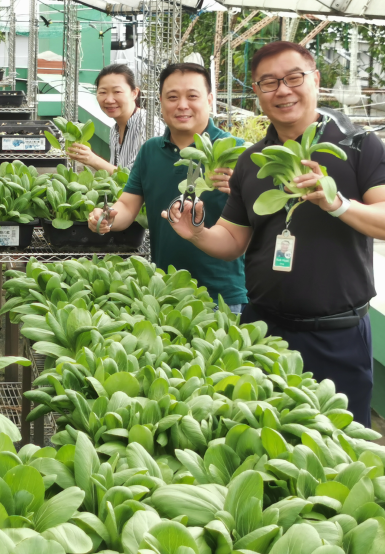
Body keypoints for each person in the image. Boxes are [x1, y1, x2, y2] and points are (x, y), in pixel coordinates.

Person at [166, 40, 385, 427]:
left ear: (315, 79)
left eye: (293, 78)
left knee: (341, 449)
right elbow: (233, 240)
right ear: (257, 93)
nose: (283, 90)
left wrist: (336, 204)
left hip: (338, 333)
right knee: (261, 440)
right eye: (269, 82)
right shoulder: (252, 160)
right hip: (264, 330)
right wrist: (196, 232)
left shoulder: (359, 147)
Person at [88, 62, 247, 311]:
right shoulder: (151, 151)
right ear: (160, 101)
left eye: (192, 96)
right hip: (164, 290)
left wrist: (243, 188)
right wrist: (106, 217)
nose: (182, 105)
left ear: (209, 100)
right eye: (172, 97)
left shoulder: (237, 152)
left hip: (222, 296)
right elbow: (128, 206)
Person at [67, 64, 165, 172]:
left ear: (134, 93)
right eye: (103, 92)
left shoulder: (148, 125)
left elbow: (140, 180)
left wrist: (93, 160)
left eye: (117, 92)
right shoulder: (115, 130)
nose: (109, 100)